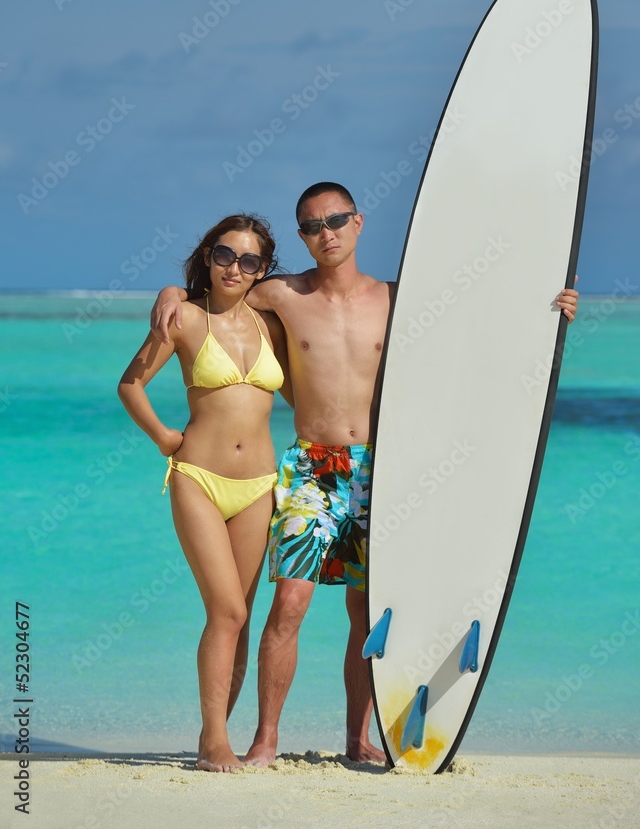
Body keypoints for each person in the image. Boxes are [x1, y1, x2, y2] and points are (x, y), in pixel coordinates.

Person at [150, 182, 579, 765]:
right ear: (300, 236)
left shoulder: (398, 298)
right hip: (311, 468)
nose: (325, 233)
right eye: (311, 225)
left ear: (358, 223)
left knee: (365, 611)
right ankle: (265, 740)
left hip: (381, 469)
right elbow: (217, 294)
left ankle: (358, 738)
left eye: (335, 220)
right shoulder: (281, 294)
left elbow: (474, 326)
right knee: (290, 604)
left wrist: (547, 311)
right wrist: (171, 289)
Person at [119, 214, 290, 773]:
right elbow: (131, 383)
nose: (233, 268)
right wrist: (165, 436)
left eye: (247, 260)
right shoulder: (185, 317)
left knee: (239, 617)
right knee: (226, 609)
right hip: (198, 479)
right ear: (207, 256)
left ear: (263, 269)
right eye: (223, 255)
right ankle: (214, 742)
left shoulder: (271, 324)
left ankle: (214, 734)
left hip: (260, 485)